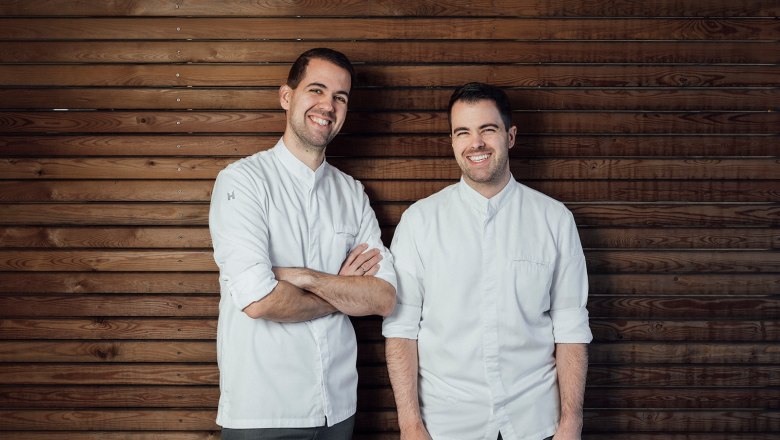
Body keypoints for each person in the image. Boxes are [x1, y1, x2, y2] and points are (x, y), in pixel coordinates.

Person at [383, 82, 591, 440]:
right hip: (446, 424)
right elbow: (402, 330)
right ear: (452, 141)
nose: (475, 143)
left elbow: (570, 326)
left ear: (510, 136)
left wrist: (571, 422)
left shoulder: (554, 219)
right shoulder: (420, 221)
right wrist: (410, 425)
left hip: (534, 420)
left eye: (487, 130)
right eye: (463, 132)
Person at [209, 48, 397, 439]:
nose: (328, 105)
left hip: (338, 409)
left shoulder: (352, 193)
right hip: (263, 411)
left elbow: (382, 298)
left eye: (340, 97)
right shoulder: (242, 182)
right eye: (316, 90)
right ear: (286, 96)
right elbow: (259, 300)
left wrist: (303, 277)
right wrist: (342, 291)